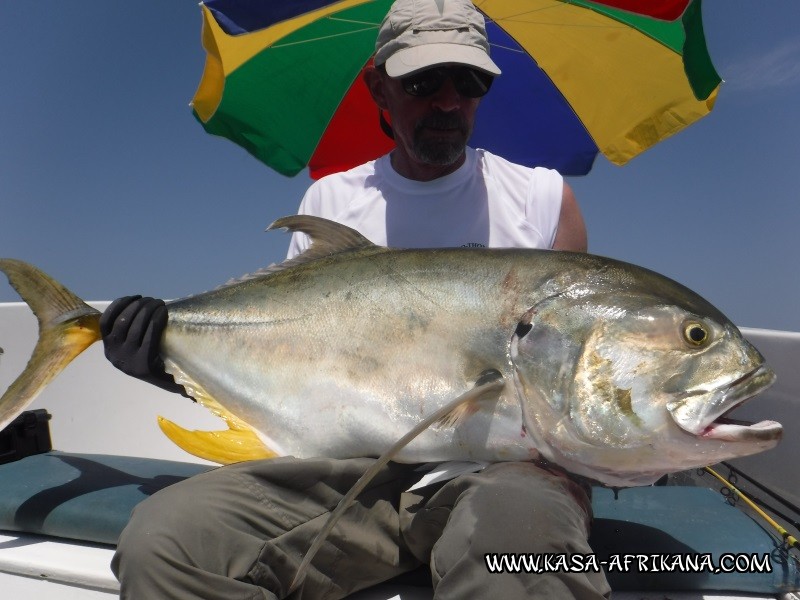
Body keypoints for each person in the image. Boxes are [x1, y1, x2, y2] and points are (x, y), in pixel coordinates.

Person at [102, 1, 610, 598]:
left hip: (501, 477)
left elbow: (567, 384)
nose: (447, 102)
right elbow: (291, 370)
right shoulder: (330, 203)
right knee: (164, 543)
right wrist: (163, 361)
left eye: (469, 80)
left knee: (523, 558)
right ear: (379, 88)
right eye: (423, 81)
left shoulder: (544, 202)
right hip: (346, 475)